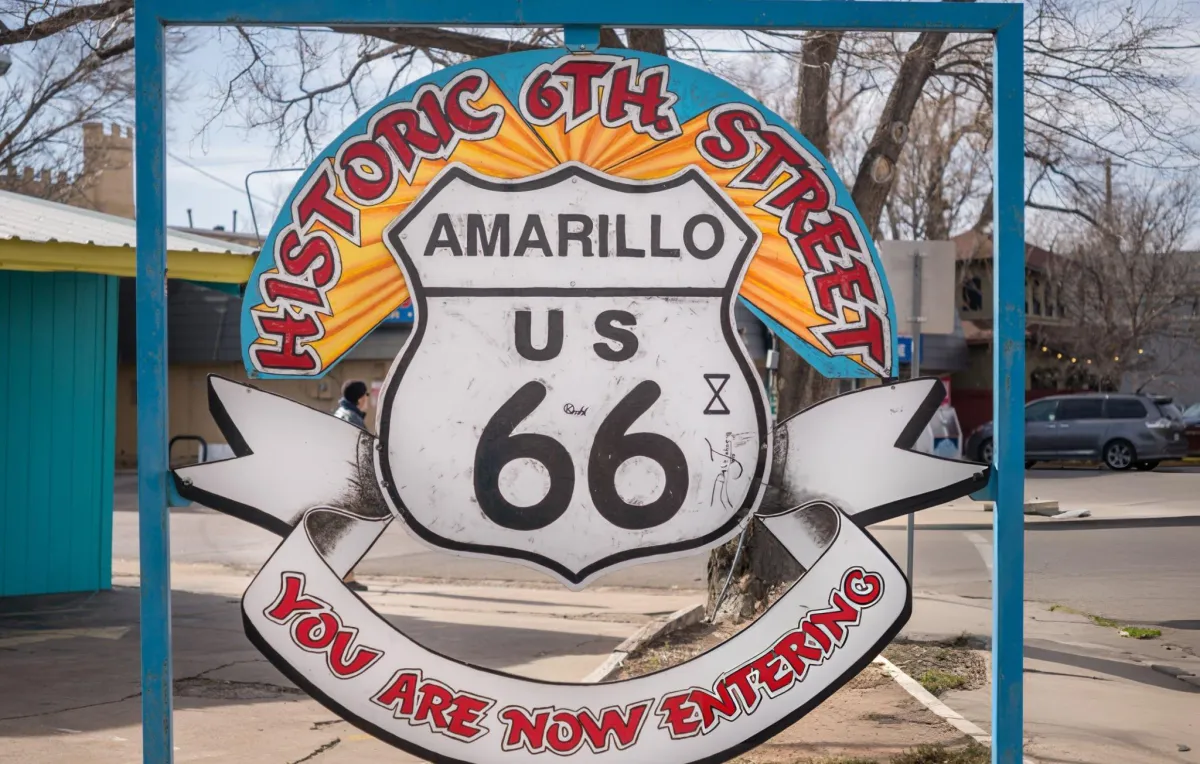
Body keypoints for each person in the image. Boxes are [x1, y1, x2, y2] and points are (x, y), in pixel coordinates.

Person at [333, 380, 371, 592]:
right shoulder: (351, 419)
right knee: (349, 531)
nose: (368, 400)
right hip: (348, 485)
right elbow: (357, 452)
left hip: (341, 483)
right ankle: (345, 576)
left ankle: (346, 575)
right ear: (360, 398)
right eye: (366, 396)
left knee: (345, 531)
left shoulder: (343, 414)